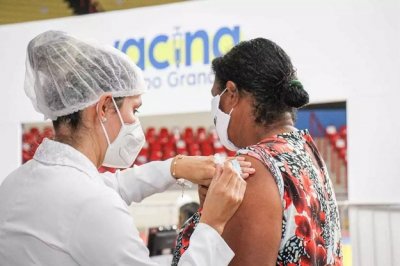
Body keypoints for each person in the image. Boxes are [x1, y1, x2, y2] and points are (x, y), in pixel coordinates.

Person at [0, 31, 252, 266]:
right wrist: (212, 224)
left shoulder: (17, 182)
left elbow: (113, 185)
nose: (135, 122)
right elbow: (94, 199)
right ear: (104, 108)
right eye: (134, 109)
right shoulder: (92, 204)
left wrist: (175, 167)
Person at [173, 38, 343, 266]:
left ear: (232, 93)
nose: (216, 108)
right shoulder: (306, 148)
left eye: (217, 96)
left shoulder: (252, 169)